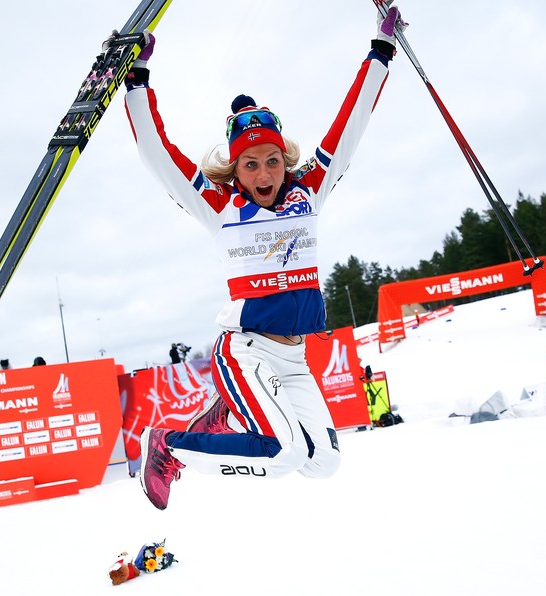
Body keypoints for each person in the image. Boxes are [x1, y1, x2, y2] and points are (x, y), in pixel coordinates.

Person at [124, 2, 404, 510]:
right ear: (237, 170)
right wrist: (137, 80)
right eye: (250, 164)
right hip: (246, 349)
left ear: (285, 160)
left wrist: (381, 51)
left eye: (272, 160)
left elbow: (350, 127)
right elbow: (157, 155)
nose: (264, 173)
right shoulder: (220, 207)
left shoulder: (309, 191)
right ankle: (167, 444)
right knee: (283, 452)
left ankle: (222, 416)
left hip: (294, 356)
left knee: (323, 461)